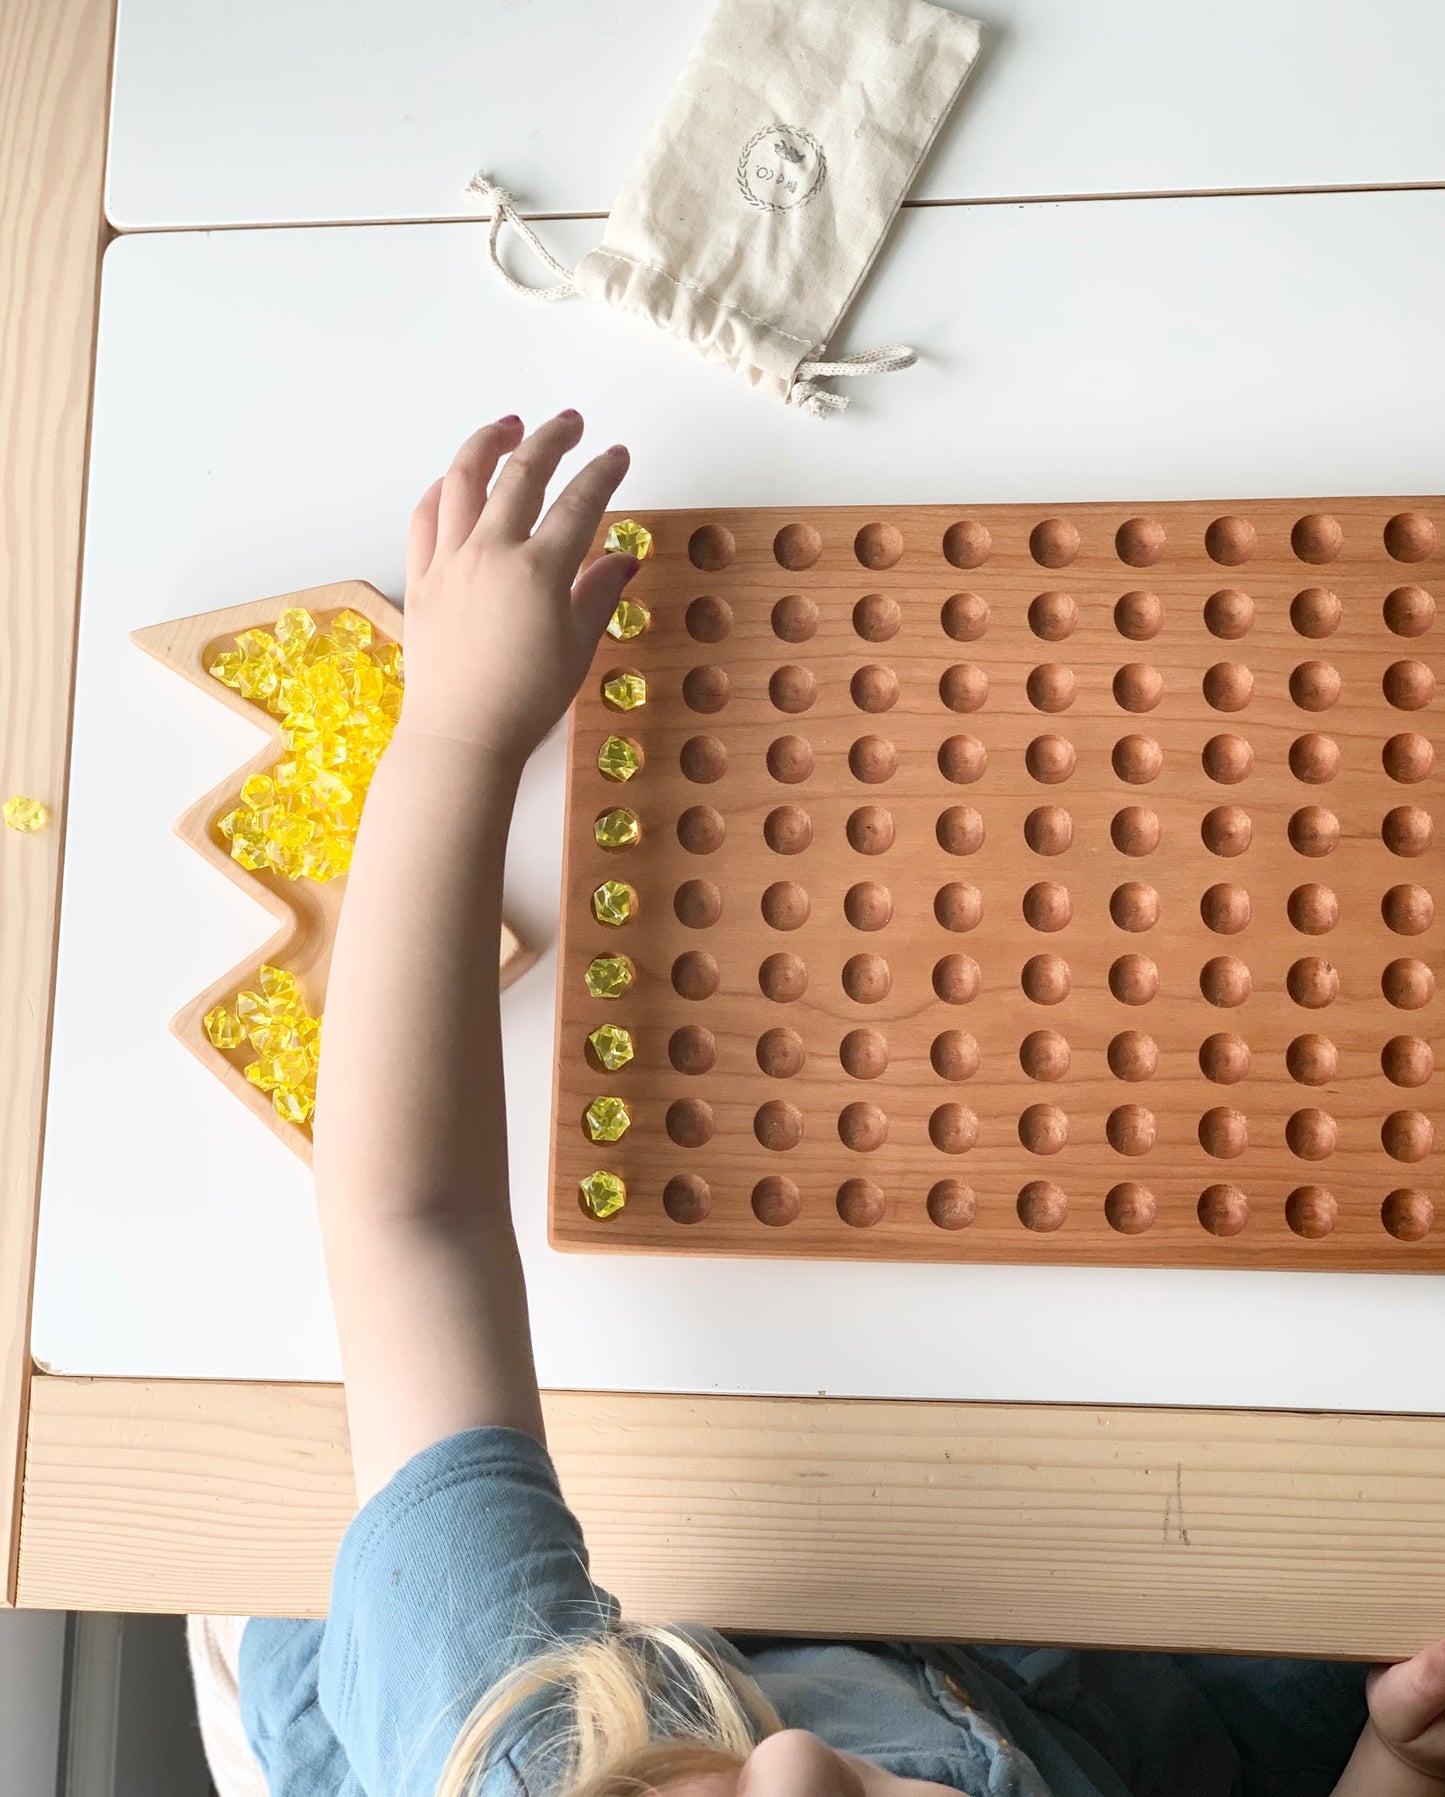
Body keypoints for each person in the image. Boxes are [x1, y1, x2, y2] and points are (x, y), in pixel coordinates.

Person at [191, 414, 1445, 1797]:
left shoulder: (513, 1742)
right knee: (1334, 1639)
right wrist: (1392, 1758)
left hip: (625, 1666)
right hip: (1067, 1732)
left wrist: (459, 727)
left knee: (335, 1580)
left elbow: (401, 1214)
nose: (793, 1765)